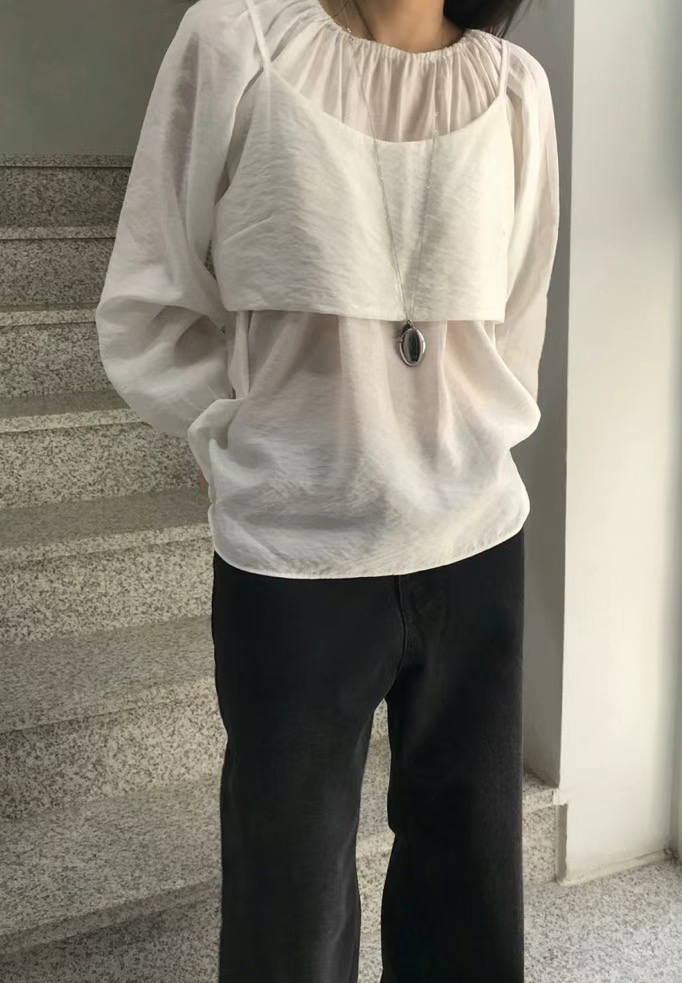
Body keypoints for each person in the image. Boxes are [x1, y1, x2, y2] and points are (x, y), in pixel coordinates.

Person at [95, 0, 559, 978]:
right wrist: (244, 435)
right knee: (287, 908)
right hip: (293, 560)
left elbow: (514, 325)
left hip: (475, 547)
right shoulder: (238, 43)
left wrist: (460, 436)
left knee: (469, 891)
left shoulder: (515, 89)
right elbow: (148, 301)